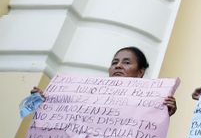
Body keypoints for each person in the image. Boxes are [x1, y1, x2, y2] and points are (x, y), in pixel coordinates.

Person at [32, 46, 177, 115]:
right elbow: (68, 107)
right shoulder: (89, 93)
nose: (118, 65)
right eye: (114, 62)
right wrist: (46, 99)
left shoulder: (149, 101)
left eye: (126, 62)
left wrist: (164, 112)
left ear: (140, 72)